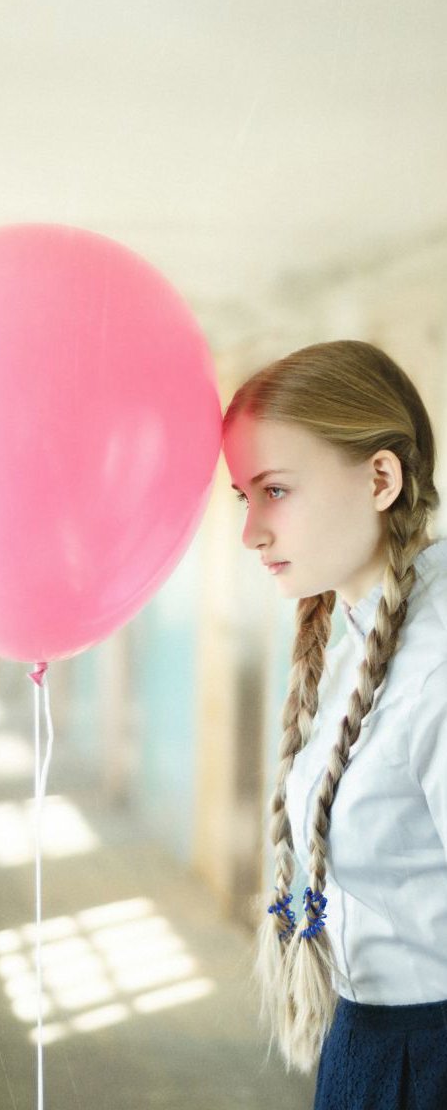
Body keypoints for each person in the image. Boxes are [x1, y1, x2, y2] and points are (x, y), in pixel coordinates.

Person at [222, 339, 447, 1110]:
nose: (250, 531)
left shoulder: (438, 661)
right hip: (362, 1043)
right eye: (241, 498)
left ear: (380, 478)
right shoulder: (352, 633)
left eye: (275, 491)